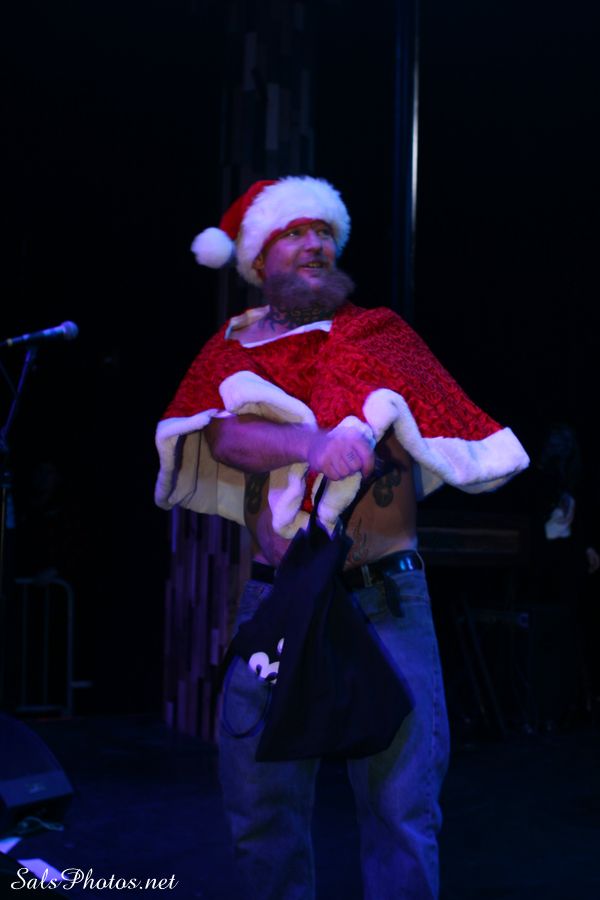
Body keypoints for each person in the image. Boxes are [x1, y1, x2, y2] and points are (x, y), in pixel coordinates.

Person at [154, 176, 529, 900]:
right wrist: (315, 441)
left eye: (324, 232)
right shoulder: (231, 350)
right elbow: (223, 436)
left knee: (401, 810)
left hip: (384, 597)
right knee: (261, 809)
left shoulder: (380, 335)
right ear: (258, 258)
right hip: (277, 599)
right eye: (294, 233)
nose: (315, 244)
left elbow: (445, 423)